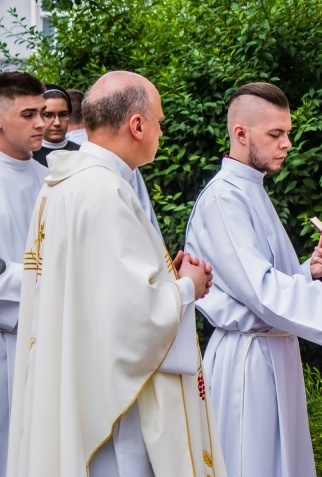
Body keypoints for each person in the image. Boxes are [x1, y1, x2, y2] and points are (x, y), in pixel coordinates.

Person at [8, 70, 227, 476]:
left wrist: (166, 279)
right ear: (137, 125)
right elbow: (133, 318)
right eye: (160, 121)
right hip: (115, 413)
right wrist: (188, 287)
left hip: (78, 375)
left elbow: (99, 285)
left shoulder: (63, 184)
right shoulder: (104, 191)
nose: (162, 131)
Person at [184, 82, 322, 477]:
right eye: (275, 134)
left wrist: (310, 273)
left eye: (288, 134)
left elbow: (260, 280)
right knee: (252, 463)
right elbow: (261, 293)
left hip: (272, 352)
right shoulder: (223, 199)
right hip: (247, 359)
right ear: (240, 134)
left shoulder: (251, 190)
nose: (287, 144)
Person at [0, 71, 47, 477]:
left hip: (49, 339)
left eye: (43, 113)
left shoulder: (53, 178)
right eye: (28, 114)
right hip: (7, 344)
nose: (41, 123)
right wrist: (51, 277)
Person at [32, 84, 80, 166]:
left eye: (63, 114)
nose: (57, 123)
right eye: (48, 115)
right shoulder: (28, 157)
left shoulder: (81, 153)